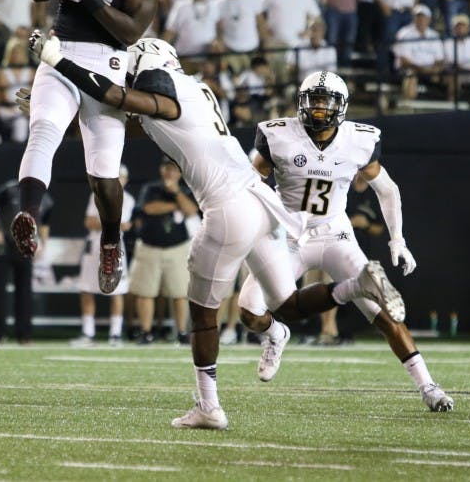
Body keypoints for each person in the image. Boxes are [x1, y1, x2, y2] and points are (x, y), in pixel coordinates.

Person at [28, 32, 406, 430]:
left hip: (229, 208)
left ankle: (208, 407)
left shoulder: (160, 87)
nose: (125, 76)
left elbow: (120, 99)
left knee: (203, 314)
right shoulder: (196, 89)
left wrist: (59, 62)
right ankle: (355, 286)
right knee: (288, 304)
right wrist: (65, 109)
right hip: (259, 201)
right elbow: (128, 116)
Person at [240, 71, 454, 412]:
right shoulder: (278, 135)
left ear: (341, 106)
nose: (319, 108)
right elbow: (249, 183)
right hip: (288, 235)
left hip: (334, 233)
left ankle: (428, 386)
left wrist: (397, 239)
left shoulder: (359, 140)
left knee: (382, 311)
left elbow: (388, 189)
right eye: (314, 100)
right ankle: (276, 335)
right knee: (249, 312)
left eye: (325, 102)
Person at [12, 0, 180, 299]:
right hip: (61, 47)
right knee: (43, 129)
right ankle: (28, 214)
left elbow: (129, 32)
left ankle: (110, 239)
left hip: (108, 60)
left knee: (103, 174)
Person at [130, 158, 197, 345]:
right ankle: (146, 331)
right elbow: (149, 208)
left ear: (180, 173)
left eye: (174, 169)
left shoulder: (185, 191)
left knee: (180, 293)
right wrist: (175, 205)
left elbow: (191, 210)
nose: (170, 173)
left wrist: (176, 194)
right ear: (162, 170)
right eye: (167, 168)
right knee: (145, 292)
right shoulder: (151, 189)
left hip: (177, 248)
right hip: (149, 246)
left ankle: (182, 332)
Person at [0, 179, 53, 346]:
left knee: (24, 291)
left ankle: (24, 335)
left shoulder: (46, 199)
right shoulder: (10, 189)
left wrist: (43, 244)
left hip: (25, 245)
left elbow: (44, 224)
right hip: (4, 243)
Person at [71, 165, 133, 347]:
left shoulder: (127, 199)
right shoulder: (95, 195)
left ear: (126, 180)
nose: (118, 180)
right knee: (87, 289)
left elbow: (124, 224)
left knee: (117, 290)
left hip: (115, 249)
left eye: (121, 177)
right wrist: (111, 222)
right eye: (116, 176)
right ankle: (88, 333)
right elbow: (90, 222)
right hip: (94, 248)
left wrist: (106, 222)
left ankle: (115, 334)